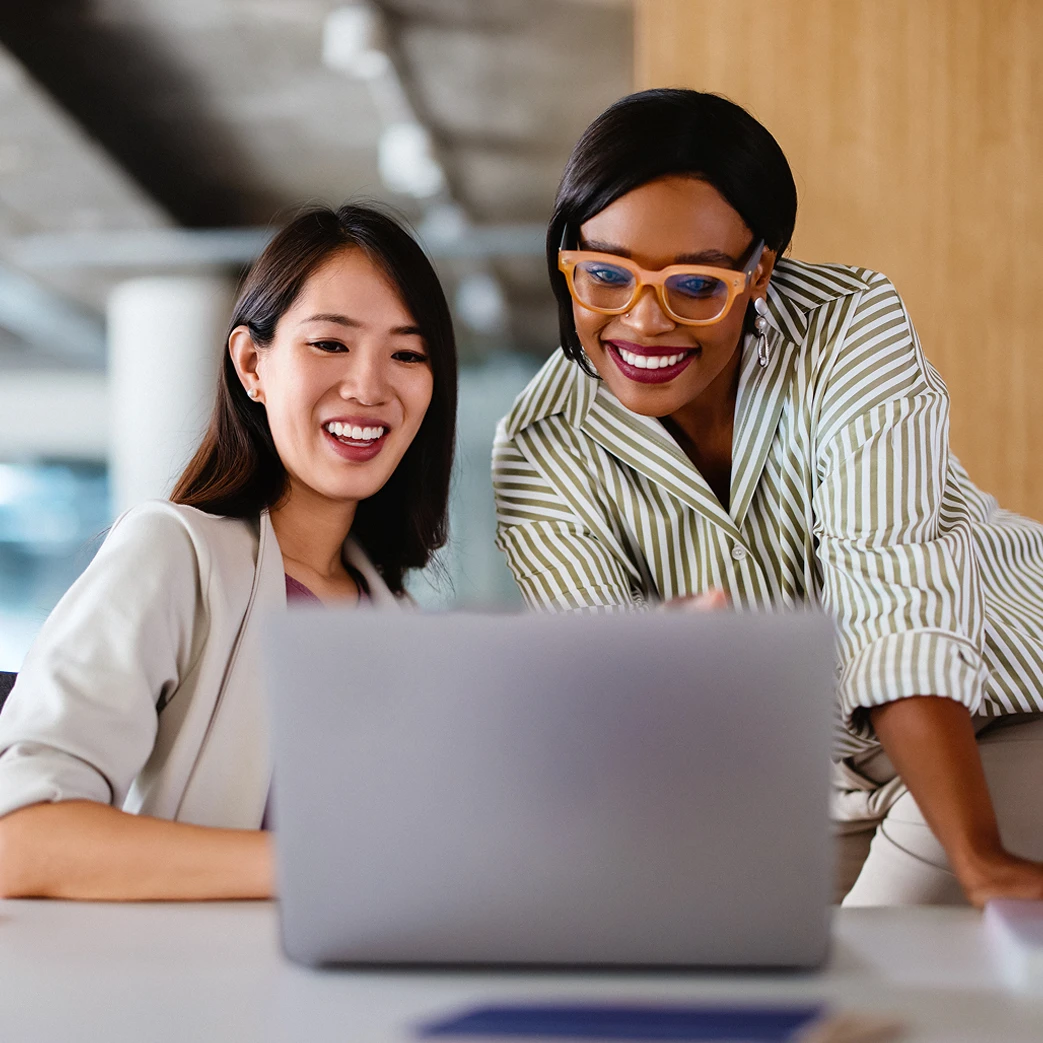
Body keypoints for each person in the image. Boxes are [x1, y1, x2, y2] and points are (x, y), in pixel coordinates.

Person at [492, 89, 1043, 908]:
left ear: (759, 272)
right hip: (802, 781)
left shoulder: (848, 327)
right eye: (604, 275)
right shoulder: (541, 446)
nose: (642, 323)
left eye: (694, 286)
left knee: (878, 980)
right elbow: (608, 698)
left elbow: (892, 599)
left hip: (992, 719)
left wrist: (979, 858)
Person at [0, 203, 457, 900]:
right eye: (330, 344)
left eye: (407, 353)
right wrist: (317, 866)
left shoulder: (398, 619)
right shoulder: (173, 556)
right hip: (189, 998)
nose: (369, 387)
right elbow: (22, 837)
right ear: (252, 364)